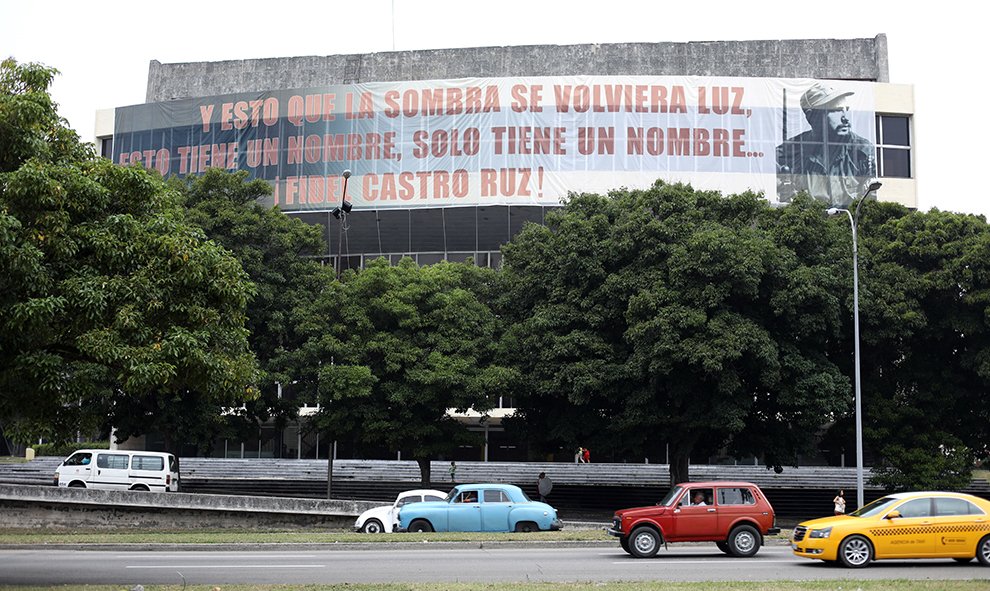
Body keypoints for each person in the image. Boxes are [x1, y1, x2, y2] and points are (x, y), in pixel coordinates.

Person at [776, 82, 877, 208]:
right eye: (836, 111)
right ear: (812, 116)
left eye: (846, 110)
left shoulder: (862, 151)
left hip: (850, 225)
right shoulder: (787, 154)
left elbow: (870, 205)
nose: (845, 118)